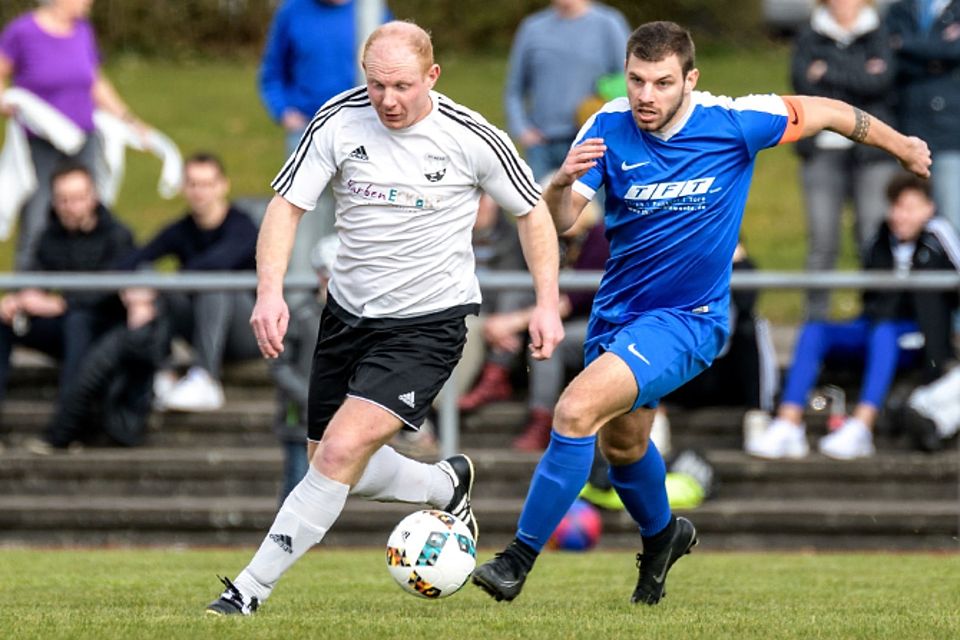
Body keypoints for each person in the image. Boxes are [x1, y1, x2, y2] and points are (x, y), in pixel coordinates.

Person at [472, 20, 931, 606]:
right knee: (625, 447)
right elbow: (560, 221)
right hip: (619, 317)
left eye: (662, 83)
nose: (645, 96)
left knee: (574, 409)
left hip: (690, 319)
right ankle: (664, 536)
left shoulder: (736, 122)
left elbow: (832, 112)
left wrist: (902, 145)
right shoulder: (608, 126)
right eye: (637, 80)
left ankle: (516, 559)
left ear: (690, 80)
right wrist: (560, 182)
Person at [205, 21, 563, 616]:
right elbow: (286, 207)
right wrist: (269, 292)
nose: (389, 100)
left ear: (432, 76)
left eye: (402, 86)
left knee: (340, 452)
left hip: (428, 324)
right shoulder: (338, 120)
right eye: (377, 86)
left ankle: (248, 589)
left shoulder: (473, 137)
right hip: (346, 317)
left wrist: (547, 304)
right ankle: (443, 485)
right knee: (333, 458)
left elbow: (532, 214)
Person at [747, 173, 959, 460]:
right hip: (875, 326)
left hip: (915, 336)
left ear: (928, 209)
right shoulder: (881, 240)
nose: (901, 216)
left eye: (910, 208)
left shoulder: (937, 238)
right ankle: (788, 421)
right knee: (816, 330)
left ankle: (862, 425)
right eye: (897, 207)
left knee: (884, 333)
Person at [259, 0, 391, 301]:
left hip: (363, 134)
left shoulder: (371, 11)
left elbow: (394, 63)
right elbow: (271, 73)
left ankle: (362, 301)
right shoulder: (292, 12)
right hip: (307, 132)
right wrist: (283, 111)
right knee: (299, 219)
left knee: (364, 216)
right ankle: (297, 309)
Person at [0, 0, 147, 270]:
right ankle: (27, 294)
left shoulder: (82, 31)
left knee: (93, 211)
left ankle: (98, 284)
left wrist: (129, 120)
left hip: (84, 138)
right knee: (38, 216)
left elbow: (95, 82)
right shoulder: (22, 32)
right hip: (39, 144)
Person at [116, 152, 260, 412]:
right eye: (193, 184)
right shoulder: (181, 229)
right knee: (148, 277)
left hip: (249, 332)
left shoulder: (243, 226)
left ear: (222, 186)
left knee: (213, 282)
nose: (199, 192)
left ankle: (206, 378)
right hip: (200, 329)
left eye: (207, 184)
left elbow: (215, 264)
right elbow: (133, 261)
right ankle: (165, 375)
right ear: (184, 187)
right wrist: (134, 292)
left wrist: (156, 288)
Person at [0, 162, 133, 438]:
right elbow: (34, 276)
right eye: (64, 200)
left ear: (93, 196)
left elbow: (111, 289)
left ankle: (66, 427)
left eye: (79, 198)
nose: (71, 207)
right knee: (4, 321)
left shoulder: (117, 235)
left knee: (78, 321)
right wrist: (18, 300)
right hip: (65, 325)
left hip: (104, 328)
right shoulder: (49, 236)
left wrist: (62, 303)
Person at [791, 0, 900, 319]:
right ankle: (814, 324)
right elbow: (803, 85)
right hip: (823, 152)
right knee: (822, 242)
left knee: (872, 236)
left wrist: (828, 72)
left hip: (871, 154)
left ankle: (877, 319)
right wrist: (859, 74)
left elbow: (881, 82)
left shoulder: (879, 30)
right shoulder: (809, 34)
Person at [504, 0, 630, 180]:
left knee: (591, 209)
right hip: (541, 146)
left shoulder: (608, 24)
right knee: (540, 208)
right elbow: (514, 89)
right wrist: (522, 129)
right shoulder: (532, 28)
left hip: (590, 146)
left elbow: (628, 80)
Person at [886, 0, 960, 234]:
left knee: (951, 224)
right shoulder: (898, 11)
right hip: (907, 128)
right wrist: (938, 53)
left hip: (951, 134)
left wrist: (905, 45)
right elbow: (888, 59)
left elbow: (954, 51)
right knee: (906, 223)